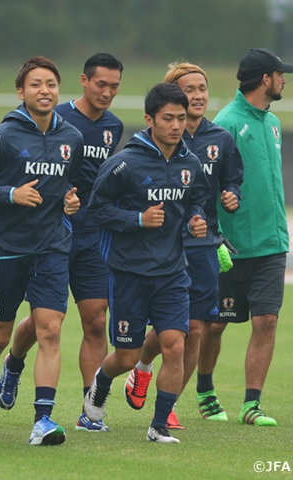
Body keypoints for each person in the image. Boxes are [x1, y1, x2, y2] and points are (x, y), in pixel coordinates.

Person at [0, 56, 82, 445]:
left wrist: (70, 202)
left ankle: (42, 420)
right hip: (5, 249)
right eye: (36, 85)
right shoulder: (2, 136)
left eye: (50, 84)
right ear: (21, 92)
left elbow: (67, 185)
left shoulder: (72, 138)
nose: (44, 91)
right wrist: (10, 194)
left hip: (52, 247)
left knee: (50, 330)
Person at [0, 53, 124, 433]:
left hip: (92, 235)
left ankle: (90, 410)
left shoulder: (114, 127)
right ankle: (14, 362)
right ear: (83, 81)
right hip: (52, 233)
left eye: (114, 87)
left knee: (95, 320)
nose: (106, 93)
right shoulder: (59, 118)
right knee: (43, 322)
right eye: (100, 84)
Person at [84, 83, 209, 444]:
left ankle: (158, 426)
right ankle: (100, 384)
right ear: (149, 119)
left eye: (181, 118)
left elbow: (197, 200)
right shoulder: (124, 163)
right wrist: (138, 219)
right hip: (129, 273)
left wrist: (195, 219)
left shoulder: (190, 162)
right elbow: (98, 209)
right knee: (126, 356)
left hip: (172, 271)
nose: (175, 125)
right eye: (168, 118)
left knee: (175, 345)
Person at [123, 63, 243, 429]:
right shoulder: (159, 138)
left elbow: (233, 179)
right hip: (161, 247)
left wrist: (231, 195)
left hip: (204, 244)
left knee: (195, 328)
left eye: (202, 88)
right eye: (189, 89)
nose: (198, 95)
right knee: (170, 327)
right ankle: (142, 367)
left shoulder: (220, 139)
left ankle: (169, 402)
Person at [207, 48, 293, 426]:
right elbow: (208, 184)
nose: (285, 80)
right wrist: (215, 237)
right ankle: (205, 391)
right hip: (233, 245)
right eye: (280, 74)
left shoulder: (273, 123)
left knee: (267, 322)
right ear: (265, 79)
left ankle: (250, 404)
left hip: (272, 244)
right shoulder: (225, 123)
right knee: (214, 325)